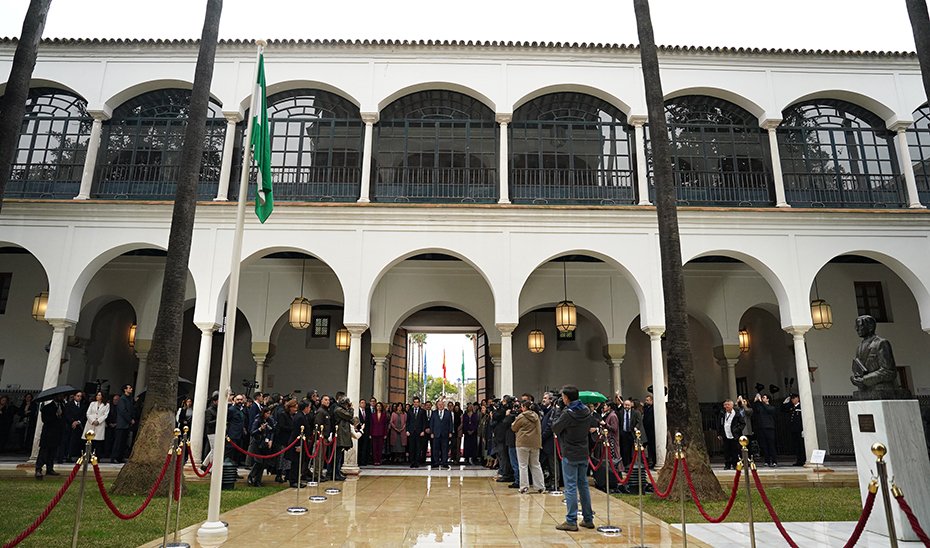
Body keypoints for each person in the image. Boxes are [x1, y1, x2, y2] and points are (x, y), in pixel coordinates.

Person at [551, 385, 598, 531]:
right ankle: (588, 518)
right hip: (583, 451)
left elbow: (555, 427)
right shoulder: (586, 411)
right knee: (583, 485)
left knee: (570, 487)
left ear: (566, 398)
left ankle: (571, 520)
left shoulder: (567, 414)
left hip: (570, 452)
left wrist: (557, 410)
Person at [512, 400, 545, 494]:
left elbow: (514, 427)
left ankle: (524, 487)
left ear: (524, 407)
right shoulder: (537, 416)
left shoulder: (521, 416)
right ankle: (540, 486)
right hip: (535, 443)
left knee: (523, 465)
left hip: (522, 443)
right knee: (536, 465)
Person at [36, 395, 66, 479]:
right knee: (44, 452)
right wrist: (56, 415)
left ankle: (50, 468)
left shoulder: (63, 407)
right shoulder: (47, 407)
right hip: (48, 433)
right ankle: (38, 468)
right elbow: (45, 420)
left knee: (52, 452)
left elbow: (64, 419)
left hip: (57, 433)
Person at [332, 396, 359, 480]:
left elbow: (350, 419)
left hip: (343, 434)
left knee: (339, 455)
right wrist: (351, 409)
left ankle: (337, 471)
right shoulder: (339, 410)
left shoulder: (341, 410)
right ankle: (335, 473)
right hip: (340, 435)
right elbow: (349, 416)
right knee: (337, 456)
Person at [248, 406, 275, 487]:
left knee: (263, 463)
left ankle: (258, 480)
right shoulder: (257, 420)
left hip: (265, 443)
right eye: (267, 413)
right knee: (258, 462)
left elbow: (272, 431)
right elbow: (252, 432)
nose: (268, 415)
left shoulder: (270, 421)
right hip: (257, 443)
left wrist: (270, 440)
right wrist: (260, 429)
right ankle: (251, 475)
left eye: (269, 413)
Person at [752, 393, 779, 467]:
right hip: (761, 427)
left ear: (768, 399)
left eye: (764, 397)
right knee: (764, 445)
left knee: (771, 445)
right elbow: (754, 410)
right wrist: (755, 401)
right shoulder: (760, 407)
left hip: (769, 428)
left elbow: (767, 409)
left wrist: (761, 402)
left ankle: (774, 461)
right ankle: (767, 461)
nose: (762, 399)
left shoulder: (771, 407)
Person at [717, 399, 744, 470]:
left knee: (735, 450)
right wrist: (719, 433)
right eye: (725, 405)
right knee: (726, 450)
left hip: (734, 435)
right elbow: (719, 423)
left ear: (732, 405)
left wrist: (737, 430)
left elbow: (742, 423)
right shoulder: (722, 413)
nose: (726, 406)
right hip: (725, 434)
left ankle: (735, 464)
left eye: (728, 405)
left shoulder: (737, 413)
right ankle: (727, 464)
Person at [111, 384, 134, 463]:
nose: (131, 389)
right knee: (118, 441)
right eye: (129, 388)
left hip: (126, 424)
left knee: (124, 442)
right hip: (122, 424)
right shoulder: (122, 399)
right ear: (125, 390)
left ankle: (120, 457)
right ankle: (115, 457)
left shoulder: (129, 399)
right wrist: (130, 419)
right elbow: (123, 411)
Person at [618, 398, 644, 467]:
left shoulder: (636, 412)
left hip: (632, 433)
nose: (627, 406)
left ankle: (633, 464)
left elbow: (639, 422)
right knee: (625, 450)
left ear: (631, 405)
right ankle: (626, 465)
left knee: (633, 450)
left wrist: (636, 427)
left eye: (628, 405)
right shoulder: (620, 412)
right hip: (623, 433)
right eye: (625, 405)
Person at [429, 398, 454, 469]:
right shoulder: (434, 413)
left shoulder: (448, 413)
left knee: (445, 449)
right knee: (435, 449)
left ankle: (444, 463)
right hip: (436, 434)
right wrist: (431, 432)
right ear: (437, 405)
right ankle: (436, 463)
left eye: (441, 404)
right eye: (439, 404)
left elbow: (450, 423)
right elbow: (431, 423)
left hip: (445, 434)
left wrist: (450, 432)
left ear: (444, 405)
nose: (440, 406)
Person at [313, 395, 333, 480]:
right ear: (321, 401)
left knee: (322, 457)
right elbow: (317, 425)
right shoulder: (321, 411)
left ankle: (320, 473)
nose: (327, 401)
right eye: (325, 400)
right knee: (318, 457)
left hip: (325, 437)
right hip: (320, 437)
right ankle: (317, 474)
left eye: (328, 400)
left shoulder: (326, 411)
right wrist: (318, 438)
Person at [85, 391, 109, 456]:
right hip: (91, 424)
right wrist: (93, 420)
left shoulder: (106, 405)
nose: (97, 396)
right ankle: (89, 456)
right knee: (90, 441)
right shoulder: (92, 403)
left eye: (99, 395)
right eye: (97, 395)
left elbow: (105, 415)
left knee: (98, 442)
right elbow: (88, 413)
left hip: (99, 424)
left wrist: (98, 421)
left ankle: (97, 457)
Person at [784, 394, 805, 466]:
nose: (793, 400)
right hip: (794, 429)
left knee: (801, 445)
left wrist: (803, 429)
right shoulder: (792, 407)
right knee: (796, 446)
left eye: (794, 398)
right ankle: (799, 460)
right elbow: (783, 410)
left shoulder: (801, 407)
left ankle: (803, 460)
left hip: (799, 429)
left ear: (798, 398)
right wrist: (785, 403)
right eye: (792, 399)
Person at [406, 397, 427, 468]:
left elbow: (424, 422)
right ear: (413, 403)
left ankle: (417, 462)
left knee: (418, 448)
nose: (416, 403)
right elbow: (407, 421)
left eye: (417, 402)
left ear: (419, 403)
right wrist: (407, 430)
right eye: (414, 402)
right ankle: (412, 462)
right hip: (411, 432)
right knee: (411, 448)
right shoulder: (410, 411)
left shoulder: (423, 411)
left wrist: (423, 431)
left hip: (419, 432)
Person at [370, 402, 389, 466]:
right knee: (374, 448)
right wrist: (370, 433)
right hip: (374, 433)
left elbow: (385, 425)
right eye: (377, 406)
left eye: (380, 406)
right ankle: (375, 461)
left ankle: (379, 460)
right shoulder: (373, 415)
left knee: (380, 448)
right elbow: (371, 425)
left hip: (381, 433)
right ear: (376, 407)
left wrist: (385, 434)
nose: (379, 407)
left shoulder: (384, 415)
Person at [357, 398, 372, 466]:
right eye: (362, 403)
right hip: (359, 431)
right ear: (359, 404)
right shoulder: (357, 411)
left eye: (364, 403)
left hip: (366, 432)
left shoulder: (367, 411)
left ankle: (364, 461)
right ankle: (359, 461)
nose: (363, 404)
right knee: (359, 446)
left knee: (365, 446)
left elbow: (369, 422)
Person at [642, 394, 656, 467]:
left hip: (652, 430)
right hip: (647, 430)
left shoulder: (653, 408)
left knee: (653, 447)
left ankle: (654, 461)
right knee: (649, 447)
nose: (646, 402)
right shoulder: (646, 408)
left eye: (647, 400)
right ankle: (651, 461)